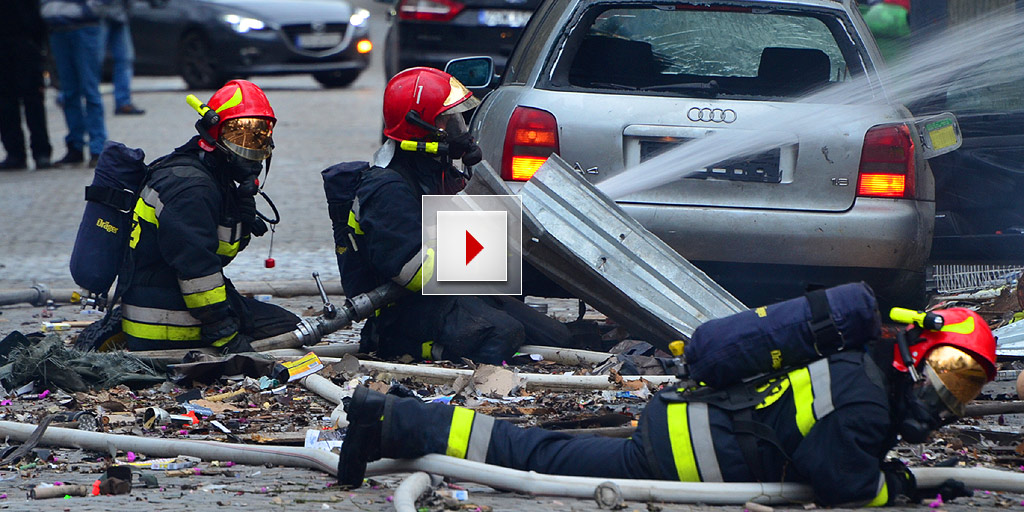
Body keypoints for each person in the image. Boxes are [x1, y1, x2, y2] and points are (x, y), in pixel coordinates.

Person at [338, 304, 997, 507]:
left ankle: (397, 419)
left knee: (538, 449)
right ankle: (397, 420)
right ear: (918, 352)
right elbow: (841, 484)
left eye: (965, 385)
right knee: (533, 457)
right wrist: (899, 488)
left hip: (689, 427)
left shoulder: (860, 370)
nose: (947, 394)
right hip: (681, 456)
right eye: (948, 372)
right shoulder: (866, 402)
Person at [341, 67, 573, 365]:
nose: (457, 128)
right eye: (447, 120)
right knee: (502, 334)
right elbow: (413, 272)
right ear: (419, 126)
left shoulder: (439, 172)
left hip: (453, 291)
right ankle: (405, 347)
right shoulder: (388, 189)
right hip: (405, 309)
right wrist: (486, 250)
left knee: (557, 338)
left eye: (457, 118)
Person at [119, 79, 297, 353]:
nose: (251, 147)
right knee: (292, 336)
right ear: (215, 133)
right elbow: (198, 273)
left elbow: (218, 252)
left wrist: (240, 215)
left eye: (259, 136)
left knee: (293, 329)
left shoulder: (210, 175)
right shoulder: (191, 189)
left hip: (173, 301)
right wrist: (227, 338)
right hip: (165, 325)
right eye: (239, 135)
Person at [41, 0, 107, 167]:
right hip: (58, 28)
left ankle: (97, 147)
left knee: (90, 91)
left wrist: (90, 8)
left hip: (84, 26)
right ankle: (75, 146)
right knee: (69, 92)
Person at [0, 0, 53, 170]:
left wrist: (38, 43)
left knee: (33, 100)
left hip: (26, 41)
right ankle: (15, 153)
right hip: (7, 42)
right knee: (5, 103)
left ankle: (41, 152)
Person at [99, 0, 145, 116]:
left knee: (125, 59)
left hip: (119, 13)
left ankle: (123, 102)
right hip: (98, 13)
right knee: (93, 61)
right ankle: (69, 96)